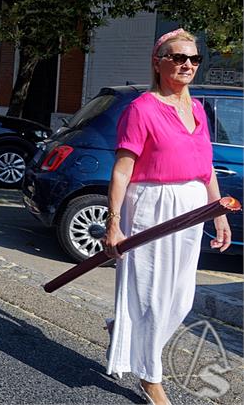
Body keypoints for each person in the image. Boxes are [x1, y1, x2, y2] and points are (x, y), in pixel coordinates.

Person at [102, 29, 231, 405]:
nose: (187, 64)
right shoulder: (141, 109)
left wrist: (218, 211)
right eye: (178, 57)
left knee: (180, 299)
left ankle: (124, 330)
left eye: (194, 59)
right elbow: (122, 170)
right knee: (153, 297)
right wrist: (114, 222)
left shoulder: (198, 109)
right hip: (151, 206)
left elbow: (207, 168)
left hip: (191, 208)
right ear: (159, 63)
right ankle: (150, 375)